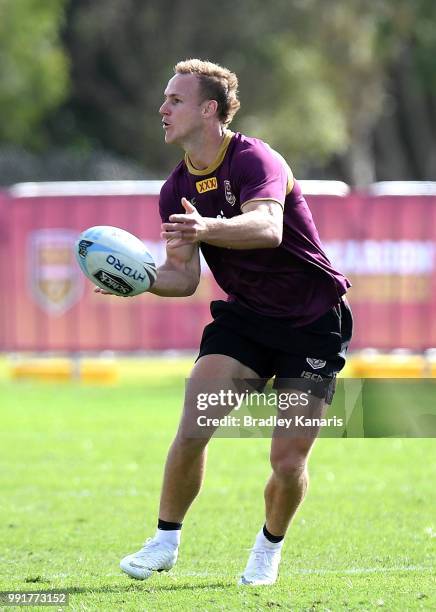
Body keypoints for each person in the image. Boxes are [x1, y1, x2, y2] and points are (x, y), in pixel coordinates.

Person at [104, 59, 353, 586]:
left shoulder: (255, 159)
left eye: (175, 99)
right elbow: (182, 277)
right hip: (244, 320)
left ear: (208, 109)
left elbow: (265, 227)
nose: (163, 108)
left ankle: (268, 549)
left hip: (312, 322)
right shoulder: (176, 191)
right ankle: (164, 542)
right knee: (194, 425)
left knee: (287, 463)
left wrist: (206, 226)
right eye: (165, 99)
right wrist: (137, 279)